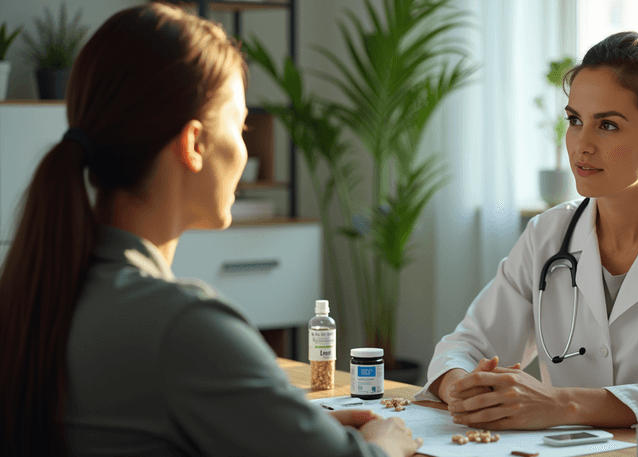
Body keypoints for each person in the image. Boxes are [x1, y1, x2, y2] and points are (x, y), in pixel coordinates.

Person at [0, 4, 421, 457]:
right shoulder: (184, 325)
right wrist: (384, 442)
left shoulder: (34, 294)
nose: (244, 148)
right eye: (241, 126)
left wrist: (281, 425)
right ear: (195, 143)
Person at [415, 18, 638, 430]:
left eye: (608, 125)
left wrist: (563, 405)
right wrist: (461, 388)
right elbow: (467, 345)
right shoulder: (549, 234)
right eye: (575, 119)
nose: (582, 143)